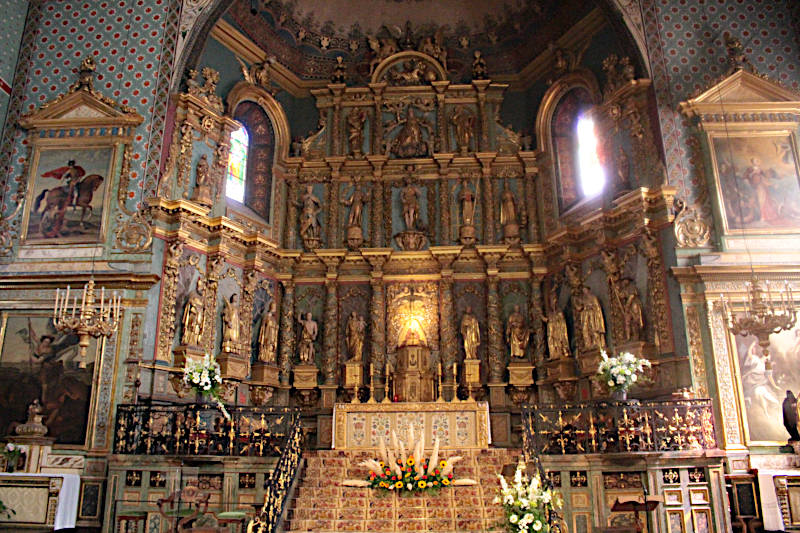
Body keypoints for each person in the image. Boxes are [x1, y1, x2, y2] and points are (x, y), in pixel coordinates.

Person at [182, 278, 205, 346]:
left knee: (197, 328)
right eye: (201, 288)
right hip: (193, 314)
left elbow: (204, 306)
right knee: (191, 327)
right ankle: (188, 340)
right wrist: (195, 305)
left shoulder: (202, 298)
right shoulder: (193, 294)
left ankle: (195, 342)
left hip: (199, 315)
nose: (202, 290)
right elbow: (190, 302)